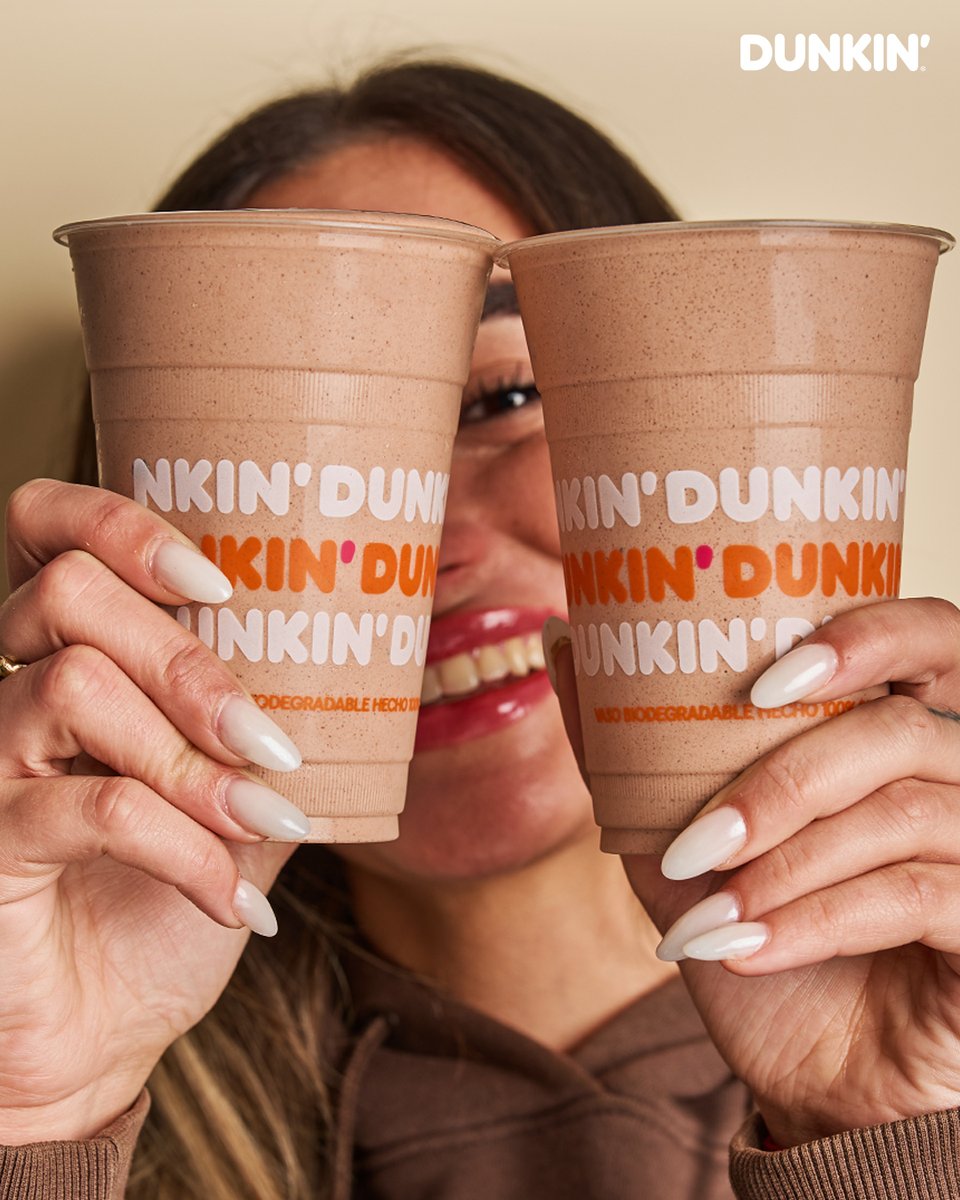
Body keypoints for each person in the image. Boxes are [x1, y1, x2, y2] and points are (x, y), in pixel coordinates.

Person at [2, 56, 960, 1200]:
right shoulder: (71, 1096)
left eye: (503, 398)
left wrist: (895, 1140)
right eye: (331, 455)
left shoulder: (928, 1041)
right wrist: (37, 1121)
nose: (424, 539)